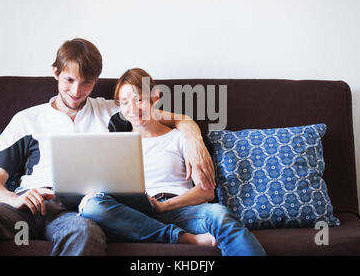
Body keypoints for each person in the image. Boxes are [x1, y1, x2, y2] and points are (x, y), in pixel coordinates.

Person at [0, 39, 215, 256]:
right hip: (25, 208)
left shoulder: (112, 112)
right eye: (69, 81)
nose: (77, 91)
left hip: (73, 214)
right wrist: (15, 199)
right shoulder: (26, 120)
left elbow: (162, 116)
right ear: (56, 73)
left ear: (96, 80)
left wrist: (193, 137)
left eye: (87, 83)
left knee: (86, 233)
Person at [79, 68, 266, 256]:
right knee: (92, 206)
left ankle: (164, 232)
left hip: (180, 210)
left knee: (219, 214)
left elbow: (206, 191)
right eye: (125, 102)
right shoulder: (117, 143)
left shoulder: (180, 138)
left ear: (155, 98)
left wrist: (164, 206)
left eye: (139, 100)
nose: (133, 109)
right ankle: (182, 238)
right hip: (135, 213)